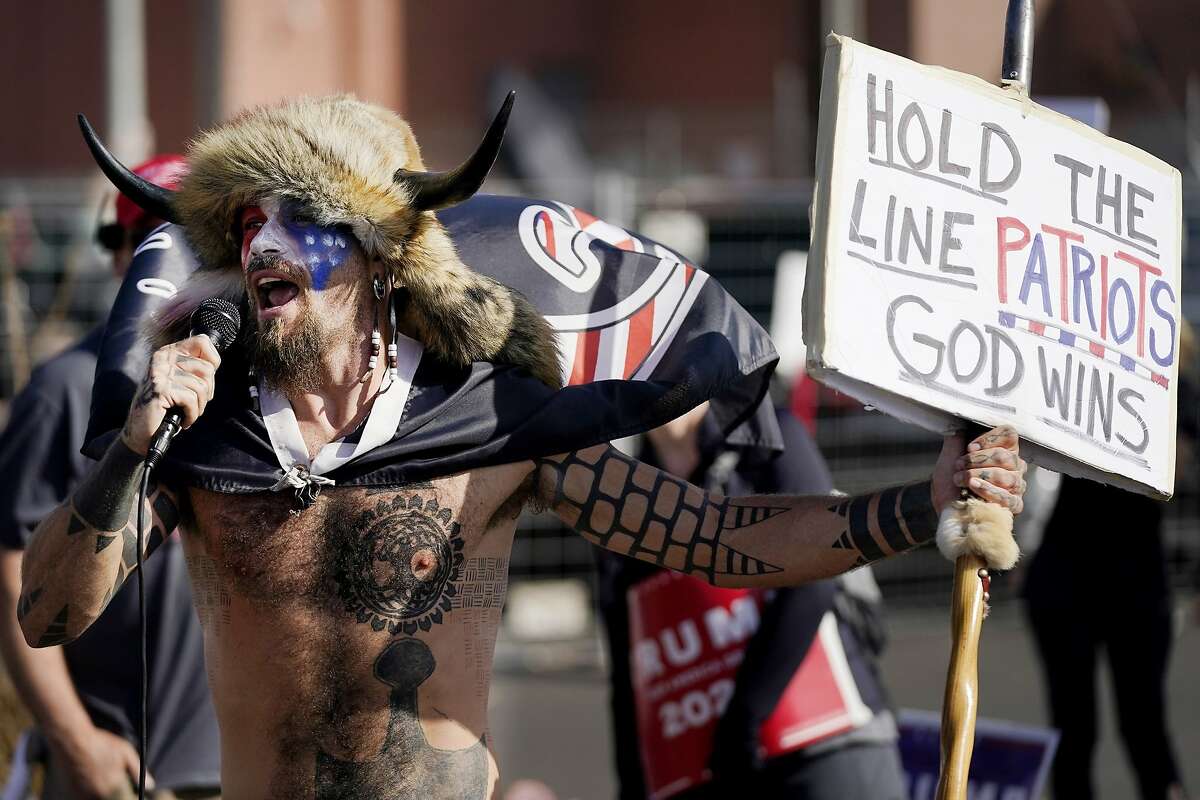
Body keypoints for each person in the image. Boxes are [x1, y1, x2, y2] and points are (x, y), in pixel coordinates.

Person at [18, 96, 1027, 799]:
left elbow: (717, 538)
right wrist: (132, 448)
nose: (264, 246)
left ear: (379, 256)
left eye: (305, 220)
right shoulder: (207, 433)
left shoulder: (485, 419)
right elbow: (52, 607)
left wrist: (924, 505)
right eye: (245, 223)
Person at [0, 156, 221, 799]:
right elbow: (9, 570)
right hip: (116, 772)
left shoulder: (248, 395)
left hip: (237, 767)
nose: (179, 258)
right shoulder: (66, 390)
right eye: (157, 236)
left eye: (199, 239)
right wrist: (76, 740)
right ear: (121, 254)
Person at [596, 404, 907, 800]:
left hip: (826, 742)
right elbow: (629, 669)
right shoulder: (619, 497)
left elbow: (816, 578)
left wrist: (744, 718)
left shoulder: (770, 437)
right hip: (713, 768)